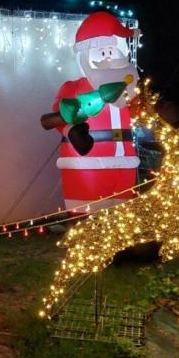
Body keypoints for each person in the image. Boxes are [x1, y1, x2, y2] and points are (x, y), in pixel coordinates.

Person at [40, 11, 140, 212]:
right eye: (102, 53)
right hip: (87, 159)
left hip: (125, 159)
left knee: (121, 214)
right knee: (87, 213)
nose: (108, 58)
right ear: (85, 58)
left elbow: (139, 115)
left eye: (112, 51)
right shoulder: (74, 87)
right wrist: (72, 131)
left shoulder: (132, 91)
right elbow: (54, 119)